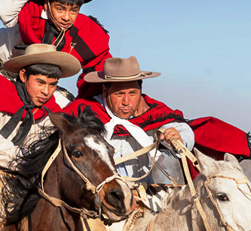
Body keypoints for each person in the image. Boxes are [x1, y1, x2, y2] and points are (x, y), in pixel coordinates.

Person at [0, 0, 111, 101]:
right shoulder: (30, 9)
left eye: (73, 10)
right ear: (46, 4)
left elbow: (100, 62)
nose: (67, 17)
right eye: (60, 9)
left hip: (38, 83)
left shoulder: (84, 29)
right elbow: (4, 11)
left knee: (68, 109)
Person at [63, 56, 195, 186]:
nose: (126, 102)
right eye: (119, 94)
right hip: (98, 194)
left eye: (132, 93)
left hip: (144, 192)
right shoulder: (84, 111)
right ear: (105, 91)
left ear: (140, 90)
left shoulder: (151, 112)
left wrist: (179, 139)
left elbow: (182, 129)